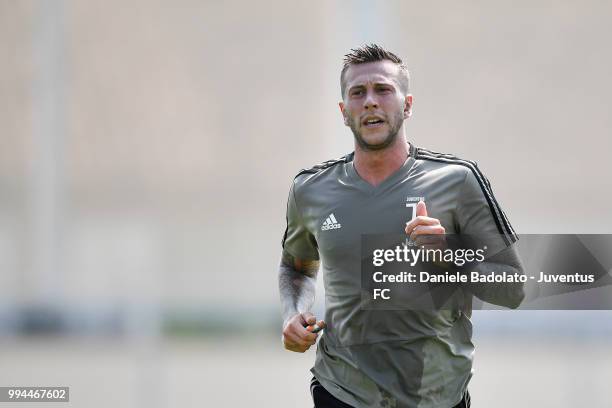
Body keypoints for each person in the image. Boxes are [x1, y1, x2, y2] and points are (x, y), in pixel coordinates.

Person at [278, 44, 524, 408]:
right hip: (342, 392)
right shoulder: (310, 190)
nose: (371, 102)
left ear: (407, 105)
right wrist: (292, 312)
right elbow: (296, 267)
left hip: (436, 396)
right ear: (344, 112)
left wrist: (449, 256)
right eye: (358, 93)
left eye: (383, 90)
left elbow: (514, 287)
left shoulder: (458, 181)